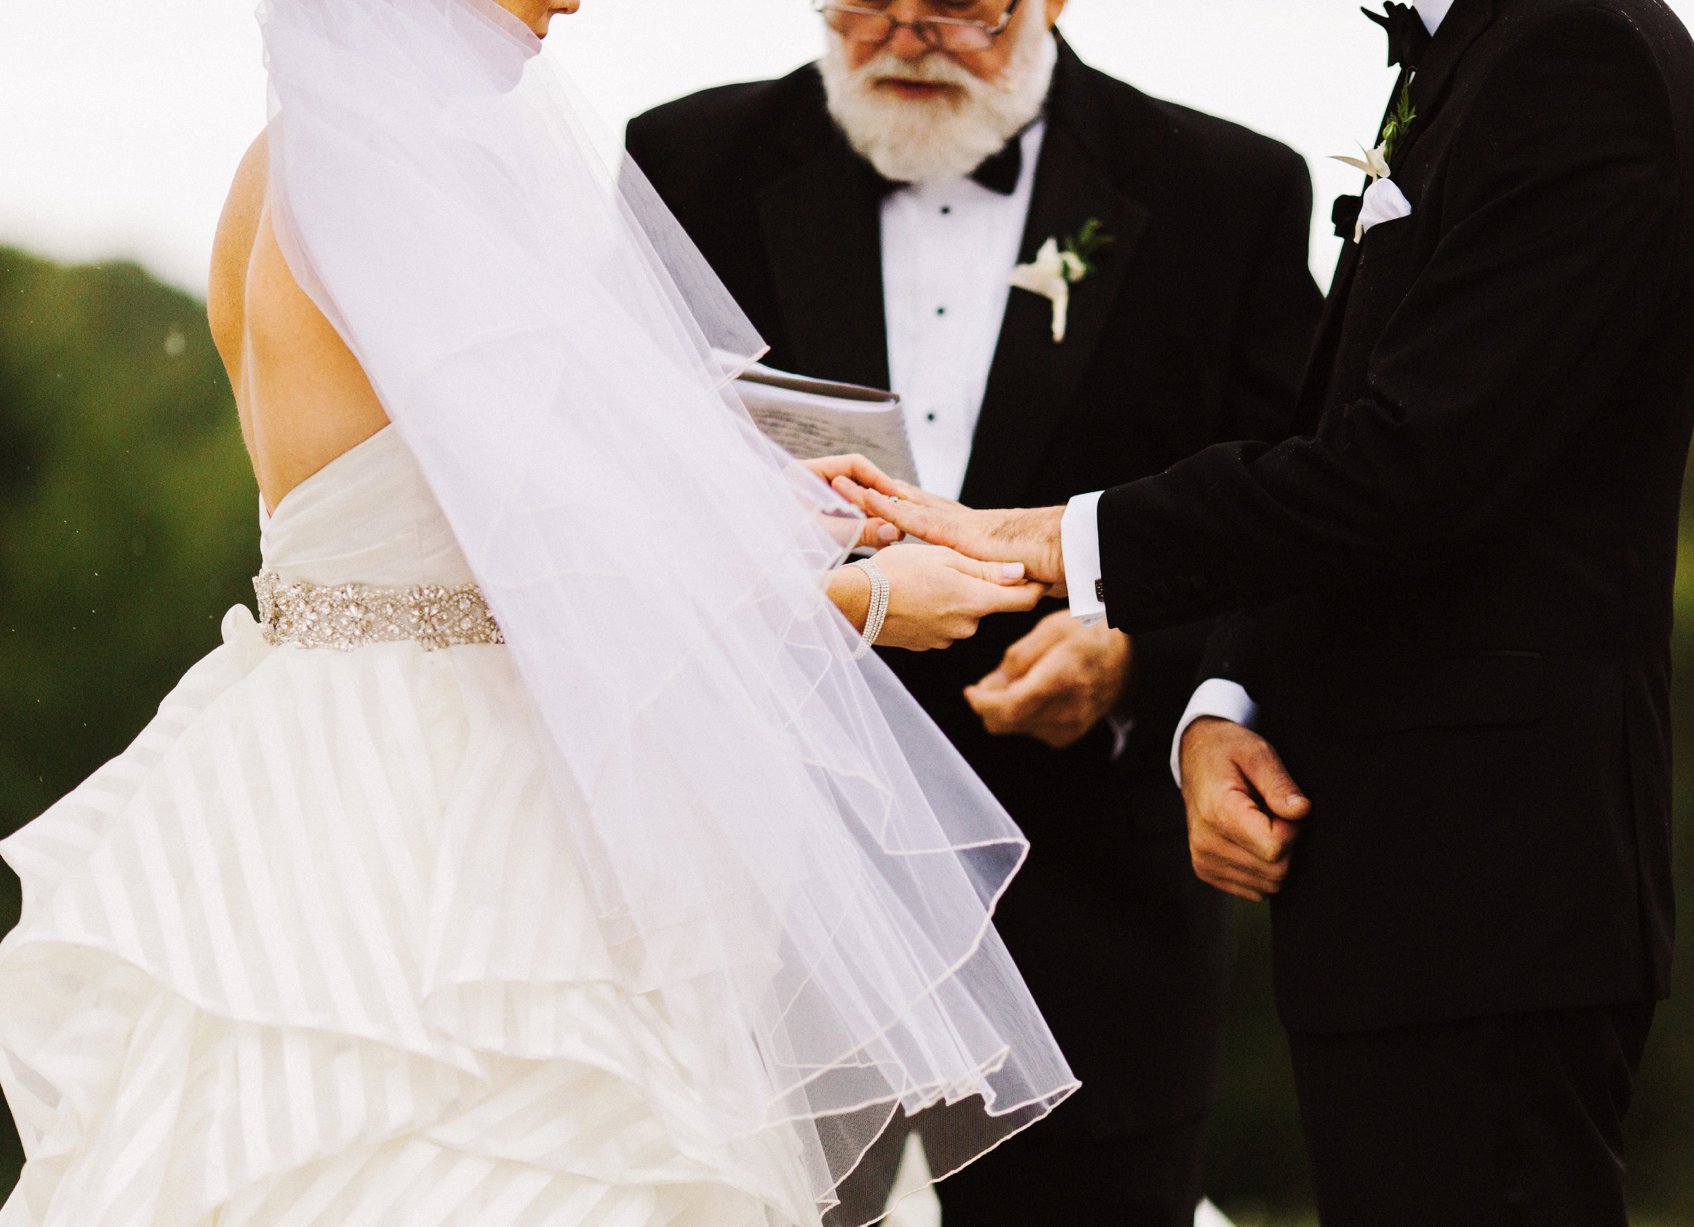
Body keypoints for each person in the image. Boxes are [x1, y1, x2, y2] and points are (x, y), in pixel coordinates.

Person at [0, 1, 1077, 1224]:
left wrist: (758, 484)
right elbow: (550, 558)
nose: (575, 1)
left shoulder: (290, 157)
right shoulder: (417, 169)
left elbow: (446, 475)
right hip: (454, 809)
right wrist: (865, 600)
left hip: (304, 752)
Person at [836, 0, 1694, 1222]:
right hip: (1394, 877)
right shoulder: (1480, 48)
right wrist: (1222, 699)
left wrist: (1053, 539)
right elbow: (1332, 444)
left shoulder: (1574, 49)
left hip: (1485, 875)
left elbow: (1414, 470)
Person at [626, 3, 1321, 1222]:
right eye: (862, 5)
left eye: (953, 7)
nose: (902, 38)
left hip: (1093, 919)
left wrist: (1133, 659)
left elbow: (1290, 525)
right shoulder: (685, 165)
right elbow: (620, 493)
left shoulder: (1228, 190)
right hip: (764, 911)